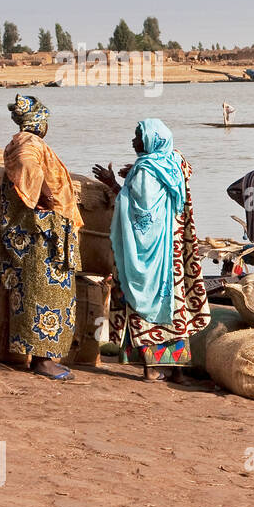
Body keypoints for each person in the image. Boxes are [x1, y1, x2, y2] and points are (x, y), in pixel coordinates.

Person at [93, 120, 211, 382]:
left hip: (151, 254)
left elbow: (141, 214)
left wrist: (113, 183)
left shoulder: (146, 171)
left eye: (138, 137)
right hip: (175, 252)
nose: (133, 142)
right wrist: (135, 170)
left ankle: (152, 369)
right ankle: (177, 372)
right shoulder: (175, 162)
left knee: (143, 304)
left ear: (151, 140)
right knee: (174, 306)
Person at [0, 95, 83, 380]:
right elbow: (27, 166)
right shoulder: (28, 144)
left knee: (38, 294)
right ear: (38, 122)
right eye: (45, 121)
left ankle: (41, 359)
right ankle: (43, 362)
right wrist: (45, 195)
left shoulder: (18, 142)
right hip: (43, 238)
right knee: (47, 295)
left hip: (38, 235)